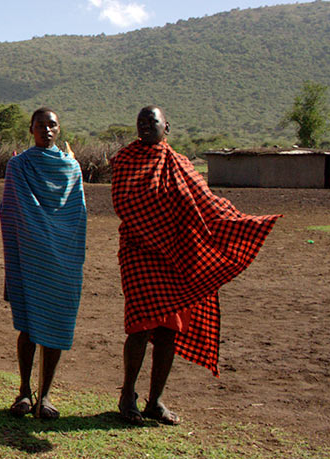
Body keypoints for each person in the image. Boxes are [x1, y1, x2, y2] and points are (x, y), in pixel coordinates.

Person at [112, 106, 279, 425]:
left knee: (169, 330)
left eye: (153, 121)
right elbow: (125, 204)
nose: (147, 126)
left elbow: (204, 204)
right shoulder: (125, 161)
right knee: (140, 324)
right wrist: (162, 229)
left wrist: (241, 221)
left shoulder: (180, 164)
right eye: (141, 122)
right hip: (140, 254)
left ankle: (155, 401)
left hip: (176, 257)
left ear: (167, 127)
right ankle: (127, 396)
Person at [0, 108, 87, 420]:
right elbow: (10, 211)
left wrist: (61, 247)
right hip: (29, 257)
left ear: (59, 129)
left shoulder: (72, 167)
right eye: (40, 125)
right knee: (29, 326)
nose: (46, 130)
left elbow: (78, 214)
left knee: (56, 324)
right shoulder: (19, 165)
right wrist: (33, 242)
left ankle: (45, 394)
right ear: (31, 130)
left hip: (62, 260)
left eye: (51, 125)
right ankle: (24, 391)